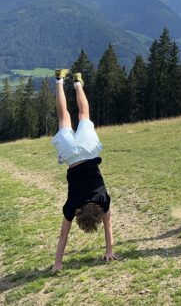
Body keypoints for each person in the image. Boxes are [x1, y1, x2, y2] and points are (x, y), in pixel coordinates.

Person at [51, 69, 117, 274]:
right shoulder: (73, 205)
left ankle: (78, 82)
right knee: (64, 117)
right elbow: (63, 236)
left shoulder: (102, 200)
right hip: (71, 156)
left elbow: (109, 227)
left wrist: (109, 250)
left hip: (88, 152)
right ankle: (59, 80)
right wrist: (58, 263)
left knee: (83, 114)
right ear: (79, 214)